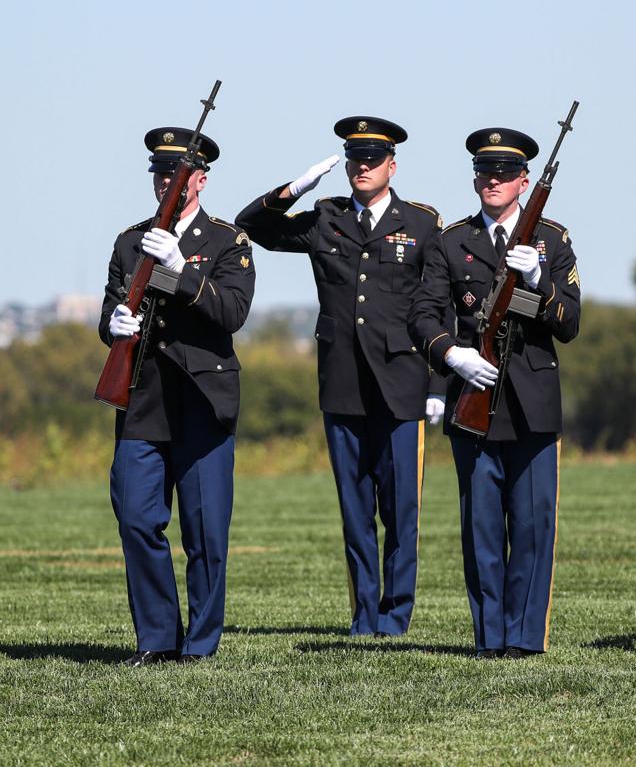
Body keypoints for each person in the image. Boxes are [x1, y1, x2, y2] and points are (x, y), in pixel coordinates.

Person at [234, 117, 443, 637]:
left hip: (402, 382)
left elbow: (438, 308)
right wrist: (294, 189)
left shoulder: (421, 224)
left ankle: (394, 619)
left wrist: (441, 384)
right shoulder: (325, 217)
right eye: (354, 159)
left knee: (401, 511)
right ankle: (363, 616)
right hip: (343, 383)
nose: (362, 167)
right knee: (355, 511)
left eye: (372, 159)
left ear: (392, 166)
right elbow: (253, 227)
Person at [409, 127, 580, 658]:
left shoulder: (551, 240)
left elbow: (570, 322)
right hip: (473, 400)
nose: (493, 181)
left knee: (532, 525)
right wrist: (449, 354)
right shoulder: (451, 241)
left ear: (524, 181)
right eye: (485, 172)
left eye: (505, 173)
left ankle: (525, 639)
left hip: (532, 401)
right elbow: (423, 313)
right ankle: (490, 637)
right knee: (481, 525)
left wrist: (538, 284)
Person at [100, 127, 255, 665]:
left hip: (202, 398)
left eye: (178, 174)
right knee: (137, 517)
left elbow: (231, 312)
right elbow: (109, 311)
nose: (167, 182)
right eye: (161, 173)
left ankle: (201, 643)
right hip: (143, 398)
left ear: (200, 181)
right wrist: (115, 323)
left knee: (206, 529)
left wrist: (178, 273)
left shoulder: (227, 242)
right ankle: (157, 638)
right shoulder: (129, 240)